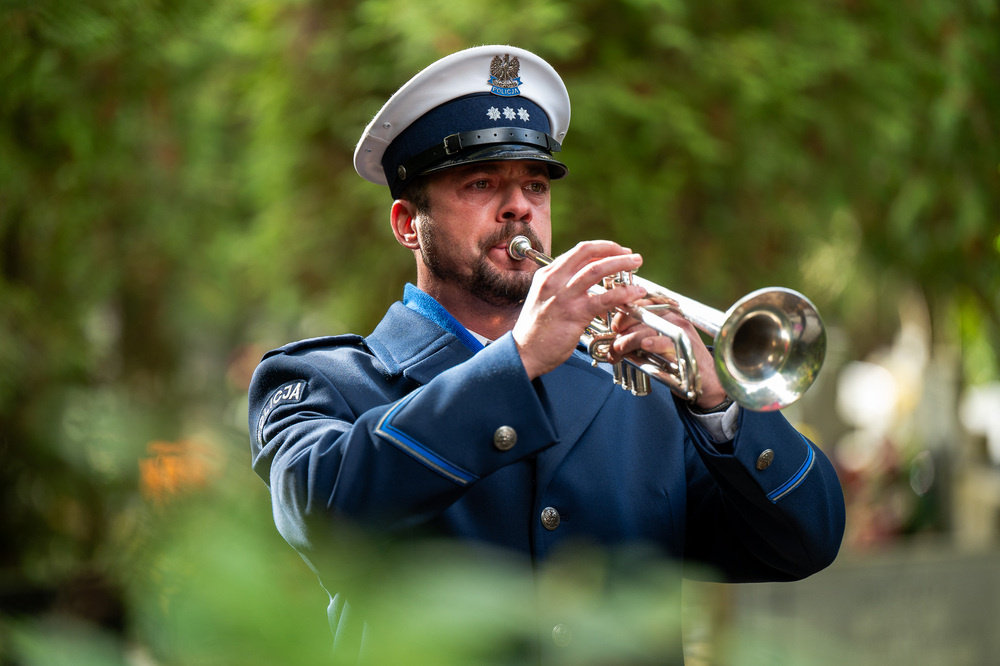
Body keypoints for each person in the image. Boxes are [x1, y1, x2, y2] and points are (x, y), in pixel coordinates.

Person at [248, 45, 845, 664]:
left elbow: (805, 544)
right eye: (481, 184)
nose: (519, 207)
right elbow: (326, 515)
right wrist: (519, 358)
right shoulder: (322, 381)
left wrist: (717, 405)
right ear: (406, 224)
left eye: (534, 184)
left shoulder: (638, 393)